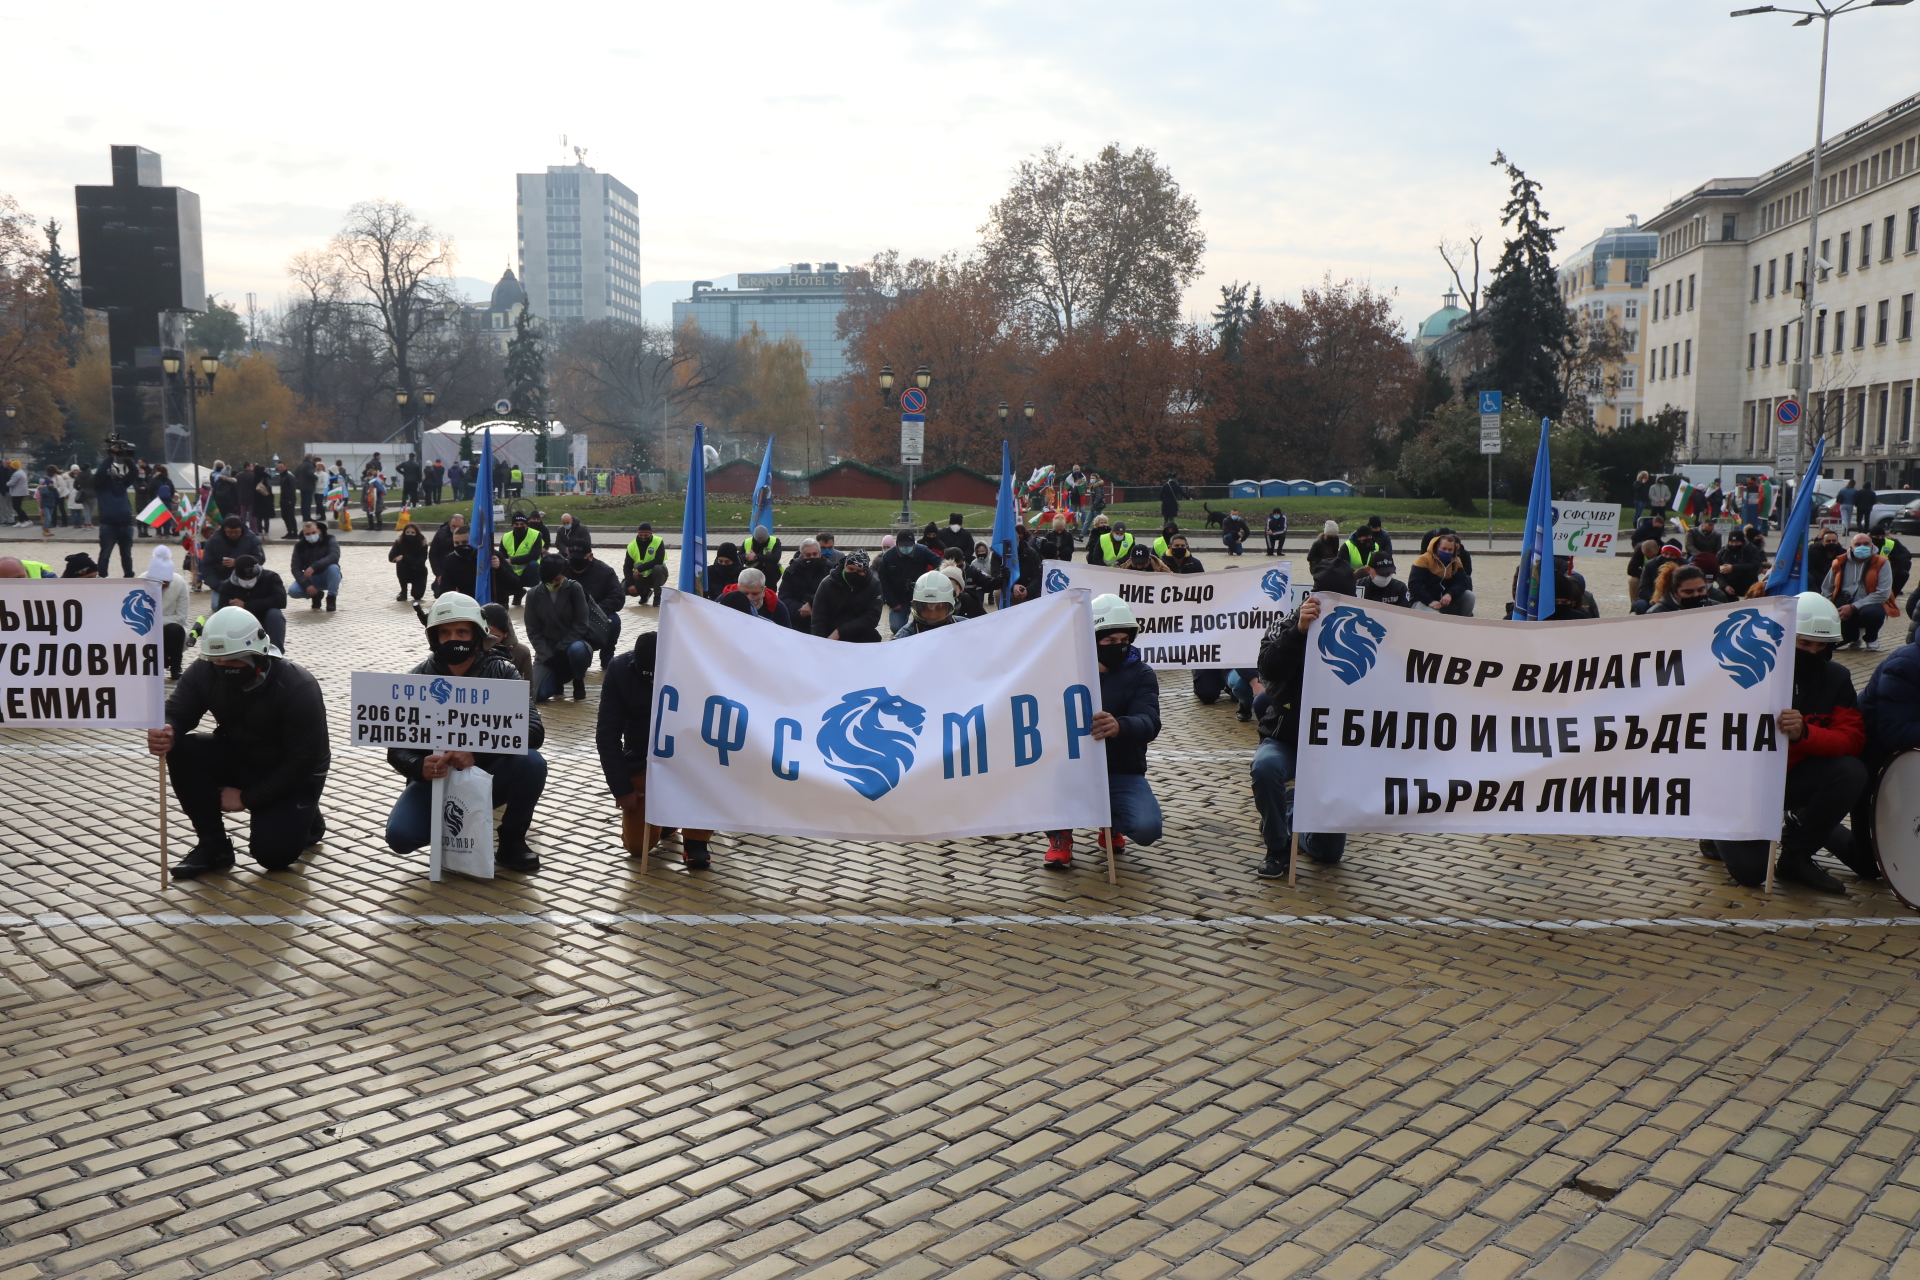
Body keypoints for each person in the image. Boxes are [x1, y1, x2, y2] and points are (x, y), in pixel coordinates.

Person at [146, 606, 329, 878]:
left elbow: (302, 762)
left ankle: (307, 817)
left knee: (273, 856)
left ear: (256, 656)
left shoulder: (297, 686)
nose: (221, 668)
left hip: (294, 773)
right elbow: (178, 711)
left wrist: (246, 798)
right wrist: (167, 730)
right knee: (184, 750)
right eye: (216, 662)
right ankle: (214, 846)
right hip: (244, 755)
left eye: (232, 662)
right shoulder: (203, 671)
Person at [1701, 593, 1864, 893]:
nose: (1814, 652)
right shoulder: (1746, 671)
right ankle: (1716, 827)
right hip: (1741, 786)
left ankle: (1796, 856)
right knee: (1752, 873)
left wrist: (1805, 734)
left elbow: (1850, 739)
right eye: (1804, 643)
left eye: (1821, 645)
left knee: (1850, 771)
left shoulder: (1836, 678)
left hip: (1792, 778)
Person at [383, 593, 547, 873]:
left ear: (477, 634)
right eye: (445, 632)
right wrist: (419, 766)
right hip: (435, 780)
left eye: (462, 631)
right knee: (401, 836)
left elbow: (533, 731)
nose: (454, 638)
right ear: (434, 638)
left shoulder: (503, 673)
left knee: (532, 762)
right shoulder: (417, 680)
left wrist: (477, 751)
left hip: (490, 772)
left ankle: (512, 840)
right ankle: (449, 832)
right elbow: (396, 749)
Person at [1249, 564, 1357, 879]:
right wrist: (1299, 632)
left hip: (1337, 745)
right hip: (1288, 736)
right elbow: (1268, 668)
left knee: (1328, 853)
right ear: (1313, 596)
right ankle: (1277, 846)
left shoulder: (1365, 629)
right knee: (1266, 766)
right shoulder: (1287, 624)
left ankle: (1291, 811)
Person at [1041, 594, 1161, 868]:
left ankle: (1110, 820)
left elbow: (1150, 720)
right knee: (1044, 786)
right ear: (1092, 640)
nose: (1118, 646)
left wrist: (1121, 726)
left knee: (1146, 828)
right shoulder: (1065, 670)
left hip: (1121, 770)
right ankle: (1059, 834)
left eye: (1124, 641)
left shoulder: (1142, 674)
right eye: (1109, 641)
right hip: (1069, 768)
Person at [599, 630, 716, 868]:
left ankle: (696, 841)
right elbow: (607, 735)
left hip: (691, 761)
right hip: (643, 759)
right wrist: (622, 790)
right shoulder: (619, 671)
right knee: (636, 846)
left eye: (658, 677)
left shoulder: (697, 669)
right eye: (648, 678)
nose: (653, 683)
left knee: (708, 775)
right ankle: (666, 819)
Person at [525, 555, 596, 702]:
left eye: (557, 579)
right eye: (549, 580)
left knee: (578, 650)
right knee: (538, 694)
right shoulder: (533, 595)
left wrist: (562, 647)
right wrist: (548, 657)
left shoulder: (574, 588)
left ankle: (578, 679)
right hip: (548, 651)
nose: (553, 583)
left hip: (572, 645)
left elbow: (581, 623)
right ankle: (556, 680)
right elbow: (533, 631)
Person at [1821, 531, 1891, 650]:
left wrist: (1854, 607)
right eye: (1858, 544)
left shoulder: (1882, 562)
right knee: (1843, 641)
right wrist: (1830, 609)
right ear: (1852, 548)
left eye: (1866, 544)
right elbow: (1826, 588)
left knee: (1873, 613)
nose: (1862, 547)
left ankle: (1871, 637)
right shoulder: (1839, 562)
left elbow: (1884, 593)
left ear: (1872, 546)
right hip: (1843, 605)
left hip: (1869, 605)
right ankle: (1853, 637)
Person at [566, 542, 625, 667]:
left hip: (597, 615)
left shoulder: (605, 571)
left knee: (614, 620)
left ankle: (607, 657)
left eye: (580, 559)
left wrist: (593, 611)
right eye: (572, 558)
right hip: (569, 617)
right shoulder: (561, 570)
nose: (575, 562)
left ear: (590, 556)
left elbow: (618, 597)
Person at [216, 554, 290, 652]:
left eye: (250, 578)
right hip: (240, 624)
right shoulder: (227, 586)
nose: (247, 581)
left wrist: (246, 605)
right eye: (243, 578)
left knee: (276, 615)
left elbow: (281, 600)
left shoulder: (271, 578)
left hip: (265, 618)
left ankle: (275, 652)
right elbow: (221, 612)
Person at [812, 549, 882, 642]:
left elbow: (872, 617)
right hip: (830, 632)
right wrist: (821, 643)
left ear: (865, 571)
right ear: (845, 566)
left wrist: (840, 631)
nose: (854, 573)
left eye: (859, 571)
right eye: (851, 569)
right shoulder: (827, 584)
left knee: (873, 636)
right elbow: (818, 618)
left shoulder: (874, 585)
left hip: (858, 631)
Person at [877, 530, 940, 634]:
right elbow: (883, 580)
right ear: (897, 544)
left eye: (909, 545)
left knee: (928, 624)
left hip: (921, 595)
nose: (906, 548)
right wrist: (892, 602)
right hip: (898, 597)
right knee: (897, 628)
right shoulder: (888, 556)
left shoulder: (922, 551)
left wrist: (932, 576)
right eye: (903, 546)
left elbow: (939, 562)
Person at [94, 438, 138, 577]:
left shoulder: (121, 482)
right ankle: (102, 575)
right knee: (105, 554)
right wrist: (110, 457)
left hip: (125, 524)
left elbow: (134, 473)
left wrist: (127, 459)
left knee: (126, 554)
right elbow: (100, 472)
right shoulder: (100, 484)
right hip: (109, 524)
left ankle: (129, 575)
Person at [147, 545, 191, 679]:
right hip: (147, 628)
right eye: (158, 583)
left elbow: (181, 616)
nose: (162, 587)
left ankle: (176, 667)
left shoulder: (179, 583)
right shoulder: (141, 582)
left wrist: (158, 621)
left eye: (166, 583)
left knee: (176, 630)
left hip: (170, 627)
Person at [1408, 533, 1473, 615]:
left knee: (1470, 596)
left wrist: (1450, 594)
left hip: (1445, 600)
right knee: (1436, 616)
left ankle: (1464, 622)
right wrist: (1429, 601)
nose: (1447, 552)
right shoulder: (1423, 560)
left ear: (1454, 550)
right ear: (1437, 546)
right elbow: (1414, 586)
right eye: (1444, 548)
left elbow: (1462, 581)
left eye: (1450, 550)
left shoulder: (1456, 561)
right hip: (1422, 601)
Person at [889, 570, 966, 638]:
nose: (933, 615)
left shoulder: (967, 627)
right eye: (926, 608)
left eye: (939, 608)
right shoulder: (903, 638)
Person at [778, 538, 833, 632]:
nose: (812, 557)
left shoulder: (830, 570)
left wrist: (812, 604)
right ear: (802, 556)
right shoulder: (791, 571)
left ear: (820, 554)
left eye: (815, 554)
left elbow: (834, 594)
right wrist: (801, 609)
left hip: (824, 621)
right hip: (798, 620)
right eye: (808, 555)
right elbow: (784, 597)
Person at [290, 520, 343, 612]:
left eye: (313, 532)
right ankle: (316, 594)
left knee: (334, 568)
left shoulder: (329, 539)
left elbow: (334, 556)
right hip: (311, 578)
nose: (311, 536)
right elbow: (295, 568)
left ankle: (331, 597)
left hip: (328, 575)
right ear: (304, 534)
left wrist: (313, 567)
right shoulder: (299, 546)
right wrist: (306, 585)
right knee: (293, 591)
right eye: (307, 534)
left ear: (319, 531)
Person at [718, 566, 791, 626]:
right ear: (738, 588)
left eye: (755, 594)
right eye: (745, 593)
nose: (749, 598)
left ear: (764, 590)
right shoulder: (723, 600)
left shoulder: (778, 608)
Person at [480, 602, 535, 682]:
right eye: (486, 635)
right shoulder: (471, 650)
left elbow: (528, 689)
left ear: (506, 634)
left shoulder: (521, 653)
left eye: (496, 637)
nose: (490, 640)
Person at [499, 512, 545, 604]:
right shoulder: (506, 536)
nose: (519, 526)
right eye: (516, 524)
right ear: (512, 525)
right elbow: (501, 556)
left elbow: (534, 555)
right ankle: (517, 592)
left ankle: (536, 595)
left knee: (534, 564)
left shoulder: (536, 535)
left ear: (526, 525)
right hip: (512, 573)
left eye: (522, 524)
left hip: (529, 572)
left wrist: (511, 560)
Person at [623, 522, 669, 607]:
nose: (643, 538)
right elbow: (627, 567)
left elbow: (658, 560)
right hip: (642, 577)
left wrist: (639, 569)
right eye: (641, 535)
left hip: (657, 576)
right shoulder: (631, 546)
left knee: (658, 568)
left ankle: (657, 597)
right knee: (623, 589)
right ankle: (645, 593)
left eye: (646, 536)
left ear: (651, 534)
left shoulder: (658, 541)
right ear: (638, 534)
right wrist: (630, 584)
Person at [1644, 563, 1711, 612]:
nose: (1696, 595)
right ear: (1674, 592)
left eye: (1701, 590)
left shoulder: (1716, 608)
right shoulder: (1656, 614)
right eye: (1688, 592)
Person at [390, 523, 430, 602]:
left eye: (412, 533)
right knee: (400, 564)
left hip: (419, 572)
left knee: (417, 596)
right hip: (405, 571)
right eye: (407, 532)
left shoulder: (422, 543)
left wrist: (404, 557)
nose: (410, 534)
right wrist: (400, 559)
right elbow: (391, 557)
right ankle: (403, 592)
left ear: (417, 533)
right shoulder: (399, 541)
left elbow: (420, 562)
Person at [742, 525, 783, 589]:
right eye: (758, 541)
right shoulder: (747, 542)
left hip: (770, 574)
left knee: (770, 567)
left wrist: (756, 557)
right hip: (752, 572)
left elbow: (776, 557)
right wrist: (746, 556)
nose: (760, 543)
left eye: (763, 541)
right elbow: (738, 558)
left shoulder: (775, 541)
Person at [276, 461, 299, 538]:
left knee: (290, 516)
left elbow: (292, 489)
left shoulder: (289, 476)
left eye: (281, 467)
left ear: (285, 467)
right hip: (283, 499)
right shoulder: (282, 476)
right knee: (285, 516)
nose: (280, 469)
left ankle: (294, 532)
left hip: (289, 500)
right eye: (279, 467)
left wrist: (290, 499)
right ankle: (289, 532)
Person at [295, 455, 318, 522]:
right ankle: (307, 516)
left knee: (303, 501)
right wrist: (316, 478)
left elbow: (296, 475)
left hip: (301, 486)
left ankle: (304, 516)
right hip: (309, 486)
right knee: (308, 502)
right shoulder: (309, 465)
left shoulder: (300, 465)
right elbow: (310, 473)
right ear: (310, 458)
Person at [6, 461, 29, 525]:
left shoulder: (16, 474)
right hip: (21, 492)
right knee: (18, 507)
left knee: (16, 507)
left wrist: (6, 483)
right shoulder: (22, 472)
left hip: (17, 493)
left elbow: (11, 483)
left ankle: (27, 520)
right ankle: (21, 521)